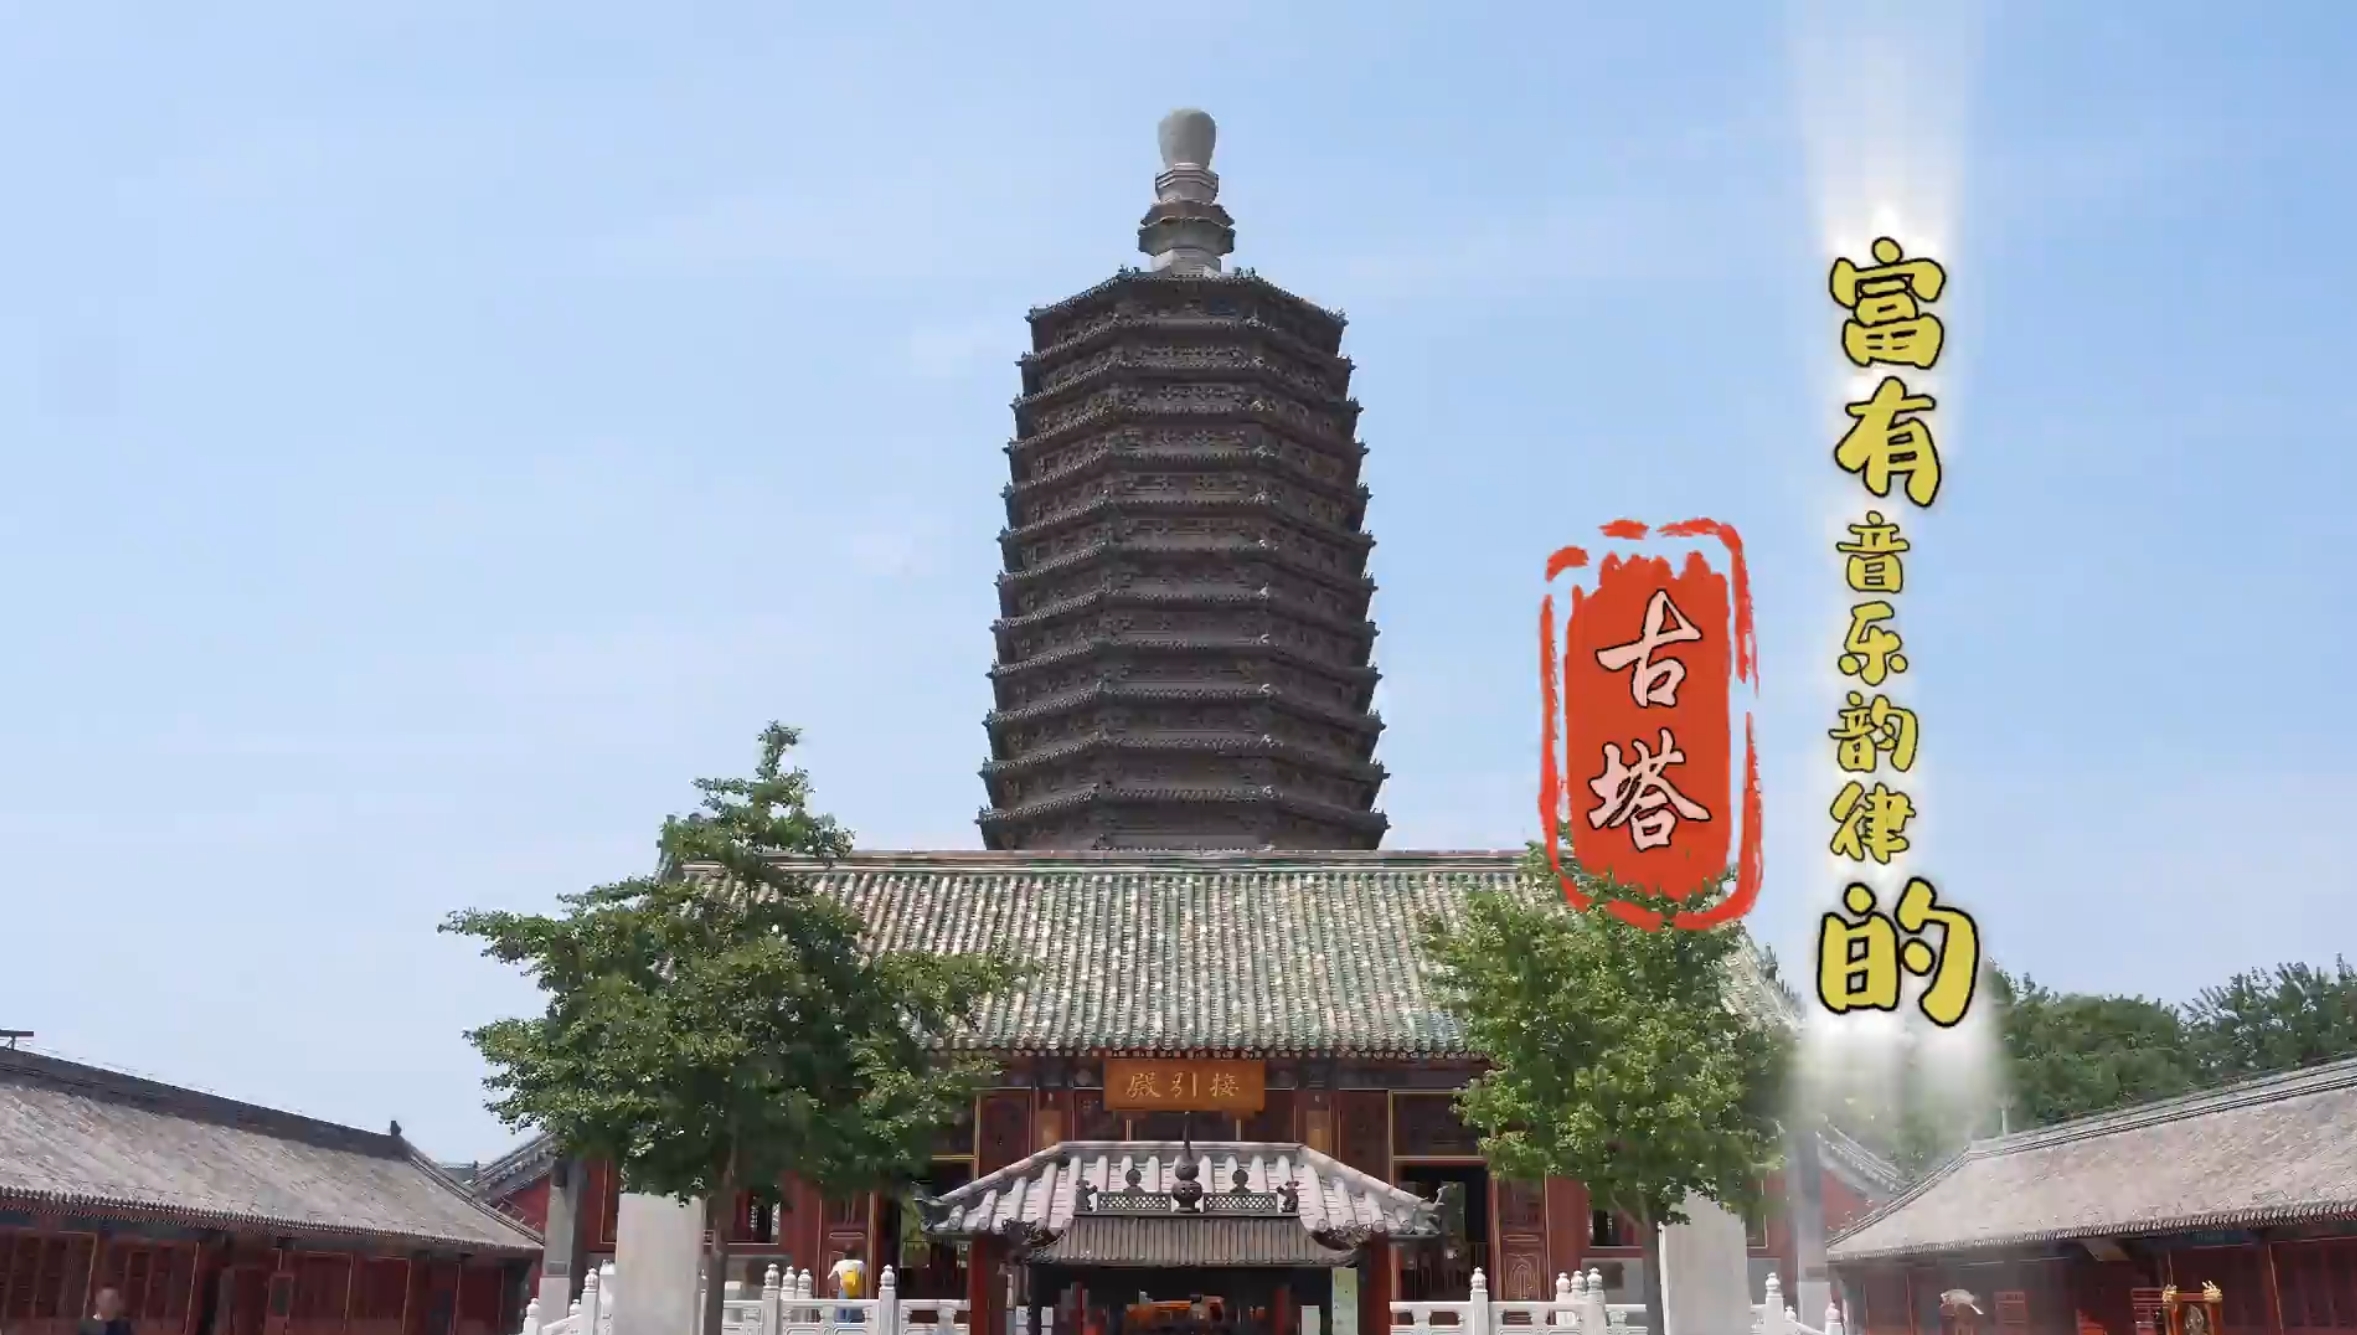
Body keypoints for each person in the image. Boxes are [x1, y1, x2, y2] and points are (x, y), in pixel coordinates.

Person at [828, 1243, 867, 1325]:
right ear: (855, 1254)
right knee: (854, 1318)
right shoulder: (860, 1263)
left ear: (844, 1254)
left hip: (843, 1290)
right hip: (855, 1291)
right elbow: (864, 1273)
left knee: (841, 1316)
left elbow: (830, 1277)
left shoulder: (839, 1264)